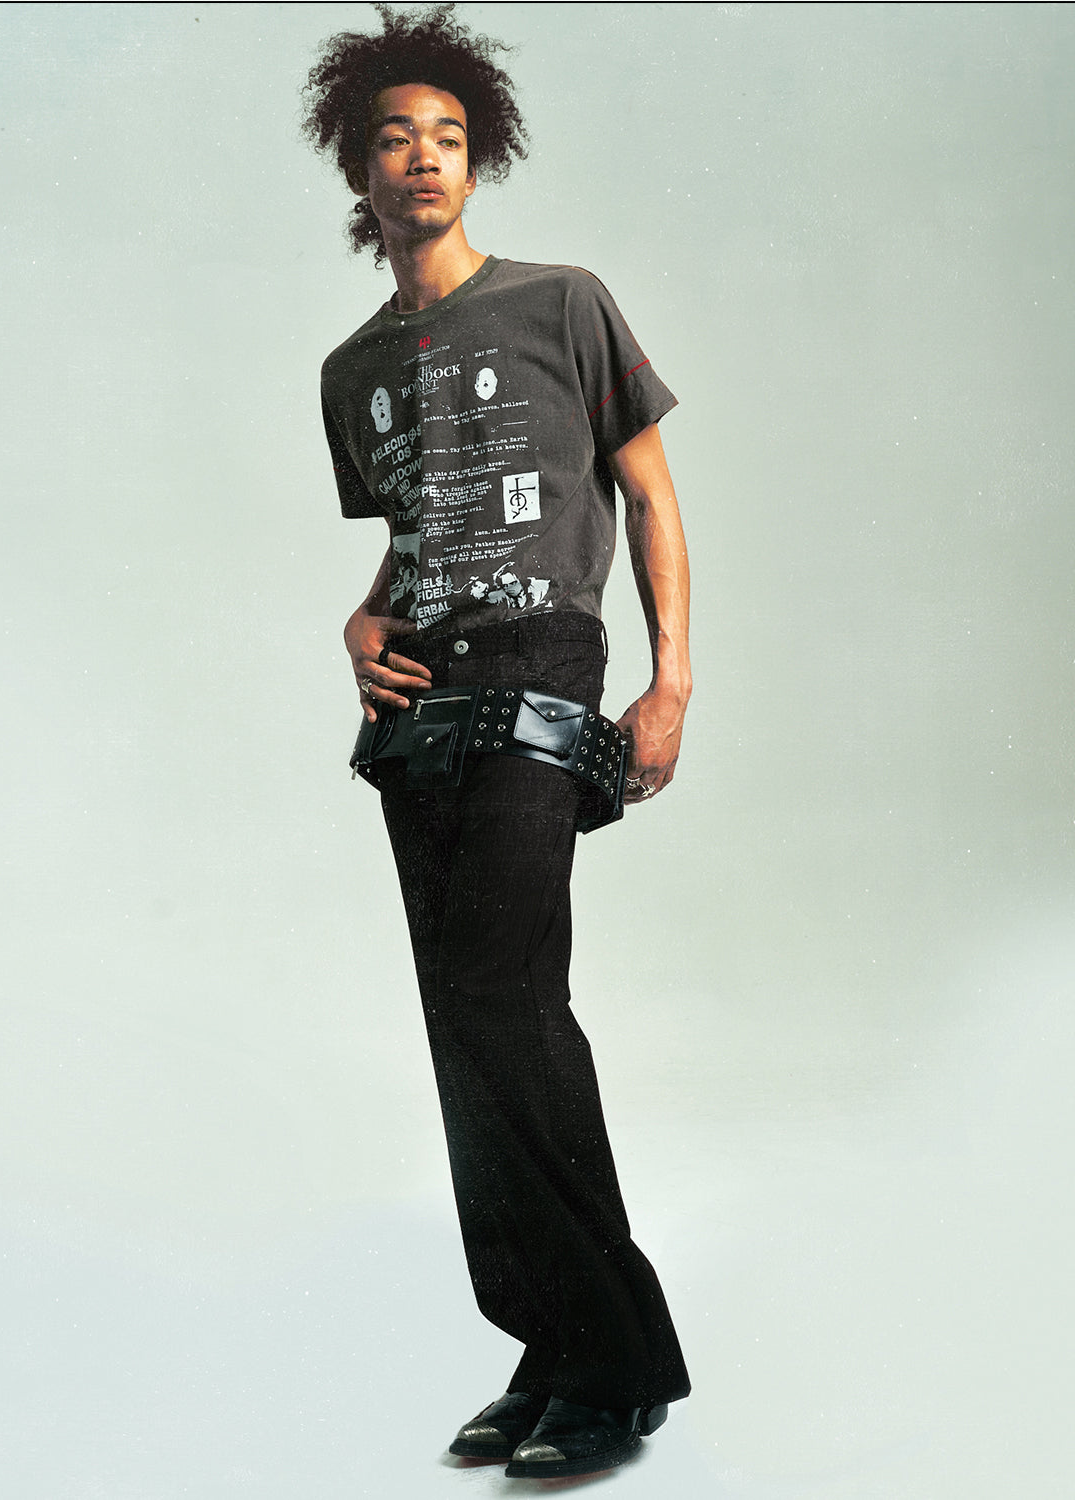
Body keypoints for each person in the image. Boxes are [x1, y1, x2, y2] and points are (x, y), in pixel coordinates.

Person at [305, 5, 693, 1479]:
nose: (425, 157)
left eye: (450, 138)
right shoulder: (351, 369)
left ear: (478, 164)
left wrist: (669, 681)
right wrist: (361, 621)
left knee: (508, 1000)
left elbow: (648, 492)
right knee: (463, 1029)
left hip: (542, 673)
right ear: (361, 167)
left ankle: (616, 1354)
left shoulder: (562, 303)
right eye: (397, 137)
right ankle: (552, 1336)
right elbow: (428, 529)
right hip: (417, 706)